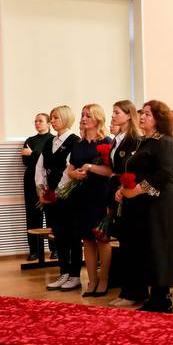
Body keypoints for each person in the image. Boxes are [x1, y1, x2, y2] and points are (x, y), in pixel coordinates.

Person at [118, 100, 173, 313]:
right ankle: (153, 296)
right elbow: (137, 171)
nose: (142, 117)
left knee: (159, 246)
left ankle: (162, 298)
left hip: (161, 201)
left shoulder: (165, 142)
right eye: (142, 113)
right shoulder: (144, 141)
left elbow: (165, 174)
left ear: (158, 119)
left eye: (148, 114)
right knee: (147, 246)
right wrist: (124, 188)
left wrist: (137, 190)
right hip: (144, 202)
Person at [66, 104, 113, 296]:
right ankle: (92, 280)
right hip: (81, 195)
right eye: (82, 115)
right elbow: (70, 169)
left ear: (98, 119)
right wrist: (74, 174)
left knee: (102, 238)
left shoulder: (106, 141)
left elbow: (110, 171)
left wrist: (90, 168)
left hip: (100, 195)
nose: (84, 118)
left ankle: (105, 280)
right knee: (86, 239)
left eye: (88, 116)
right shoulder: (78, 144)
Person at [106, 100, 144, 308]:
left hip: (129, 194)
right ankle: (126, 290)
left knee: (131, 245)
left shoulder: (134, 139)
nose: (113, 116)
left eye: (117, 112)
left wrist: (124, 187)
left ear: (129, 115)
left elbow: (134, 170)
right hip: (117, 191)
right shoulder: (118, 139)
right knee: (124, 244)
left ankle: (134, 291)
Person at [37, 105, 80, 291]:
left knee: (72, 236)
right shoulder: (49, 142)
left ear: (66, 118)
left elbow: (69, 170)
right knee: (59, 235)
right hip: (51, 197)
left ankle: (75, 275)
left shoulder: (74, 141)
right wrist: (42, 189)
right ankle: (64, 272)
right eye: (51, 118)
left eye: (55, 118)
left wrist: (58, 191)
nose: (52, 121)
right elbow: (40, 167)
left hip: (67, 196)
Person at [21, 112, 51, 261]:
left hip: (49, 181)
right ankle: (35, 251)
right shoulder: (30, 140)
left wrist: (33, 153)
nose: (37, 123)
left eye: (40, 121)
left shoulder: (53, 140)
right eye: (35, 121)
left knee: (52, 216)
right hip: (31, 182)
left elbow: (49, 160)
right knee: (33, 216)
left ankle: (55, 249)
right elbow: (25, 161)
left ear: (48, 123)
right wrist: (36, 155)